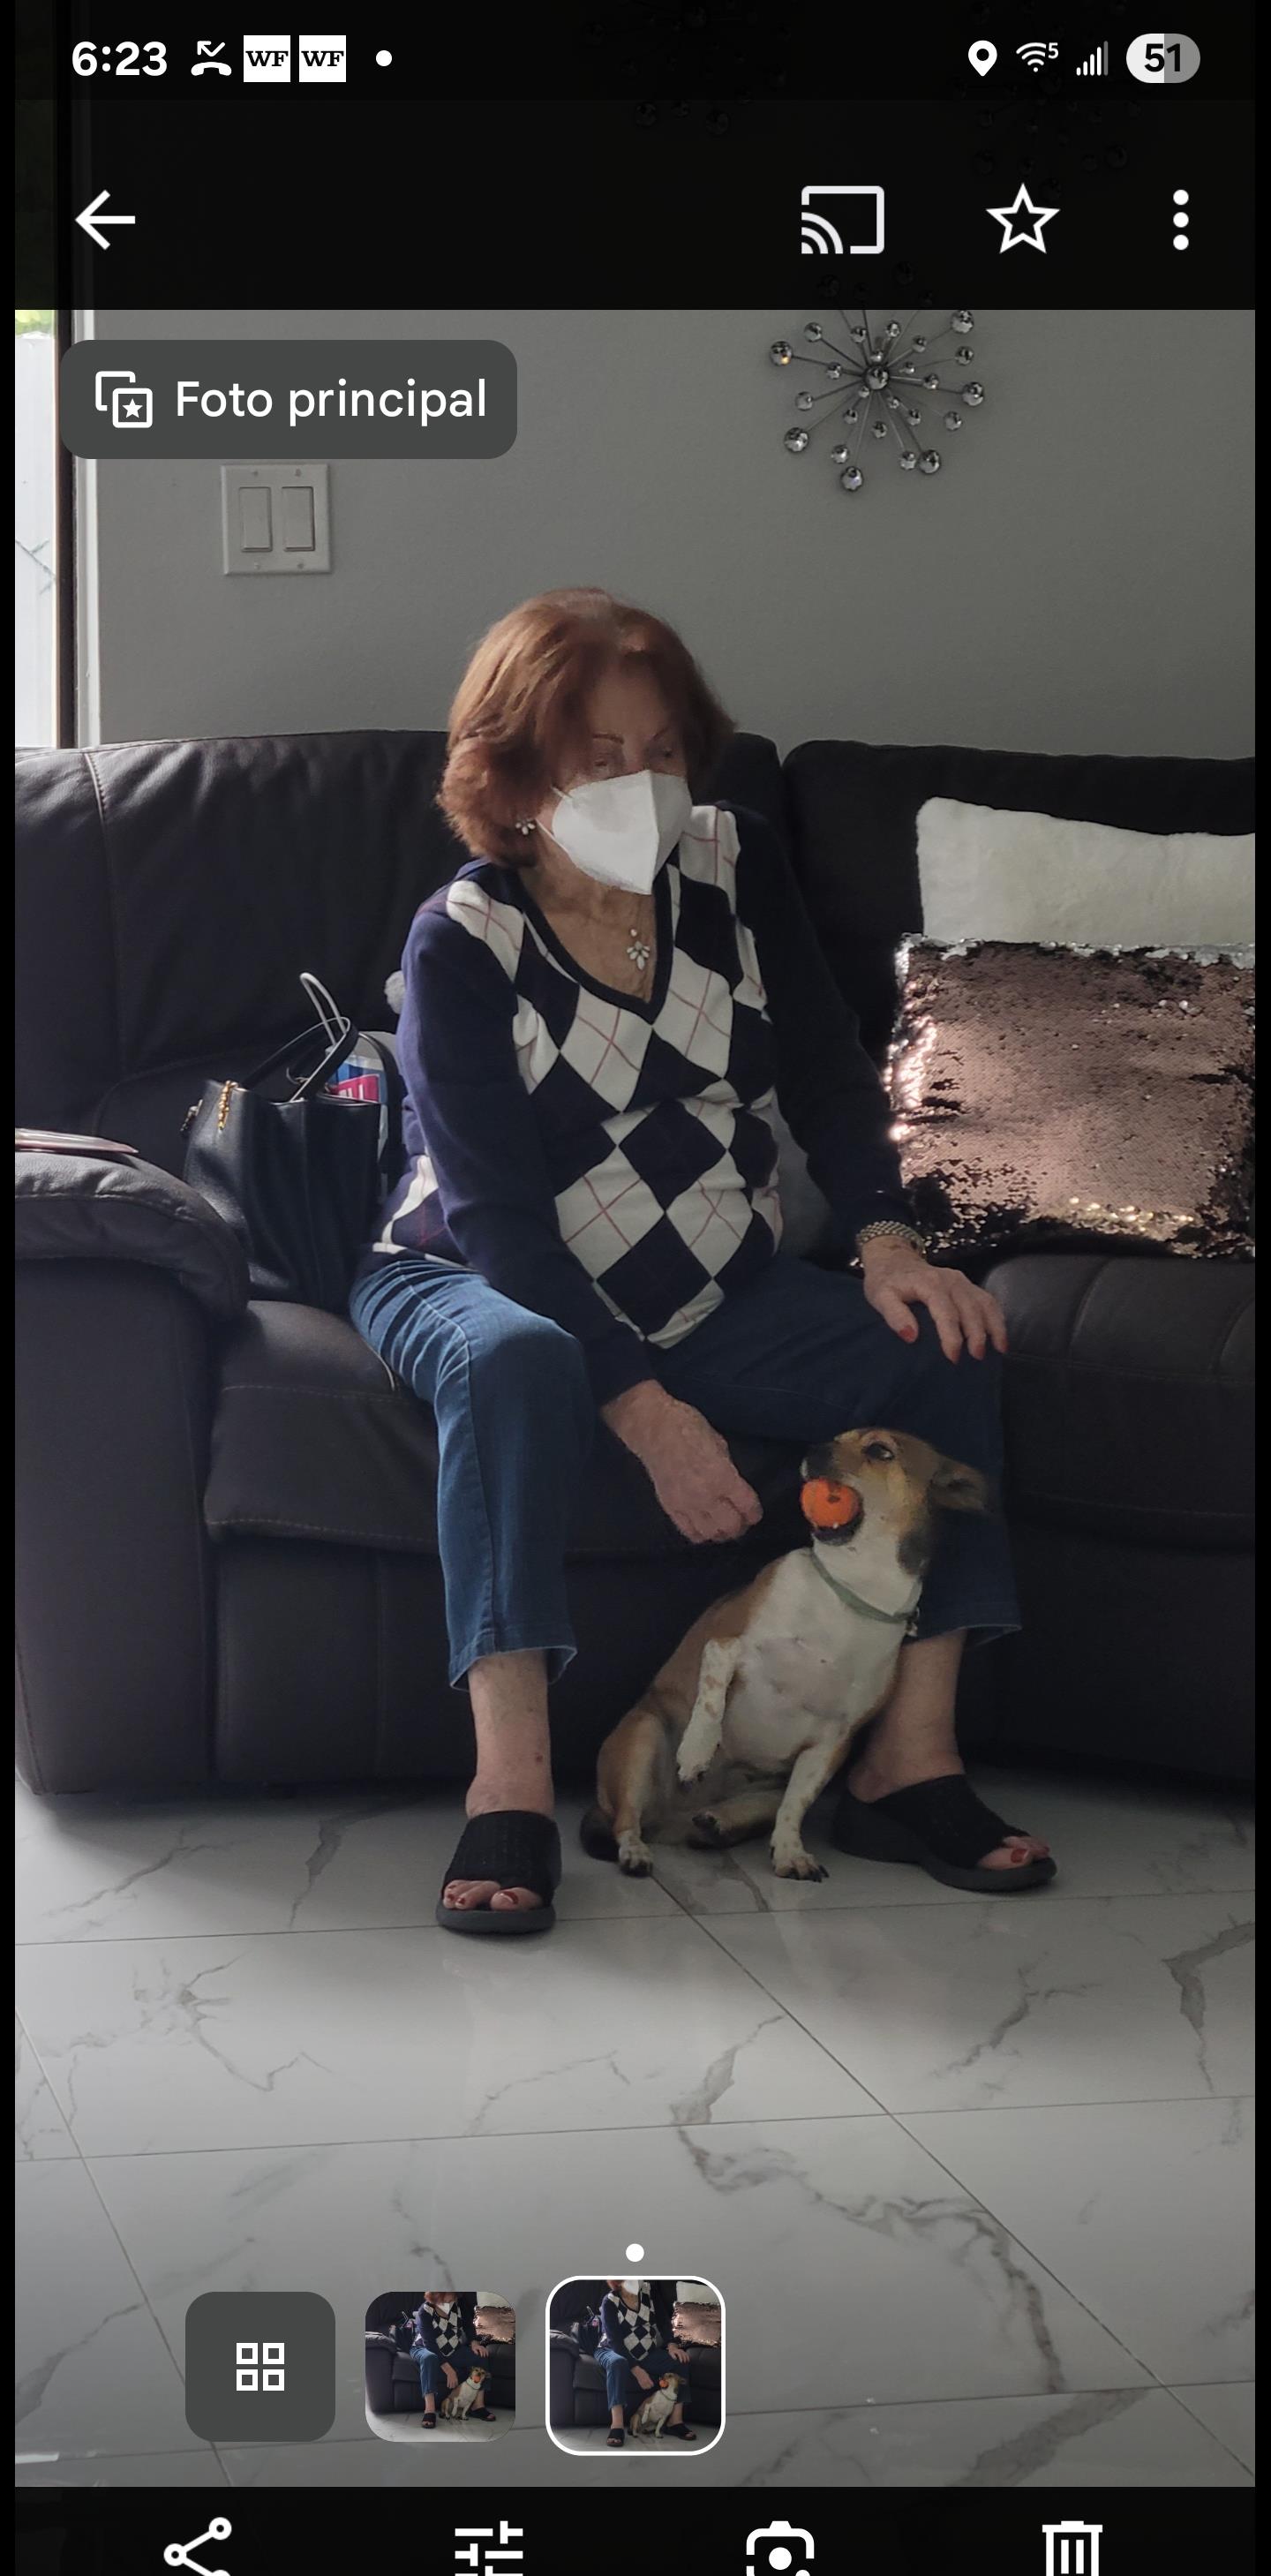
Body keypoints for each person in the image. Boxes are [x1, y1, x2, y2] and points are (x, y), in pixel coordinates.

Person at [350, 588, 1054, 1933]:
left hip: (711, 1281)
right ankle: (508, 1788)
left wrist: (891, 1244)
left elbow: (832, 1077)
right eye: (598, 758)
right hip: (477, 1272)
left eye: (662, 750)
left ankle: (908, 1764)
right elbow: (497, 1219)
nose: (641, 785)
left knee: (943, 1349)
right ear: (514, 773)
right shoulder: (466, 938)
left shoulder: (736, 866)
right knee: (513, 1363)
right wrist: (643, 1406)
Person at [594, 2278, 696, 2447]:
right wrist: (636, 2369)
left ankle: (675, 2421)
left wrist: (672, 2345)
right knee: (618, 2363)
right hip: (612, 2350)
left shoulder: (650, 2291)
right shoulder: (609, 2301)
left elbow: (663, 2320)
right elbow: (615, 2342)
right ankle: (617, 2425)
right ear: (618, 2282)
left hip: (646, 2351)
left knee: (680, 2361)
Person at [409, 2289, 496, 2429]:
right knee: (430, 2358)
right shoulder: (424, 2312)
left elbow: (468, 2324)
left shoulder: (459, 2304)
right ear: (434, 2298)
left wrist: (474, 2342)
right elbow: (430, 2345)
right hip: (424, 2348)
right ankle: (429, 2410)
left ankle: (478, 2406)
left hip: (452, 2348)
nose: (448, 2304)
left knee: (481, 2356)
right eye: (443, 2301)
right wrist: (449, 2370)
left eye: (451, 2300)